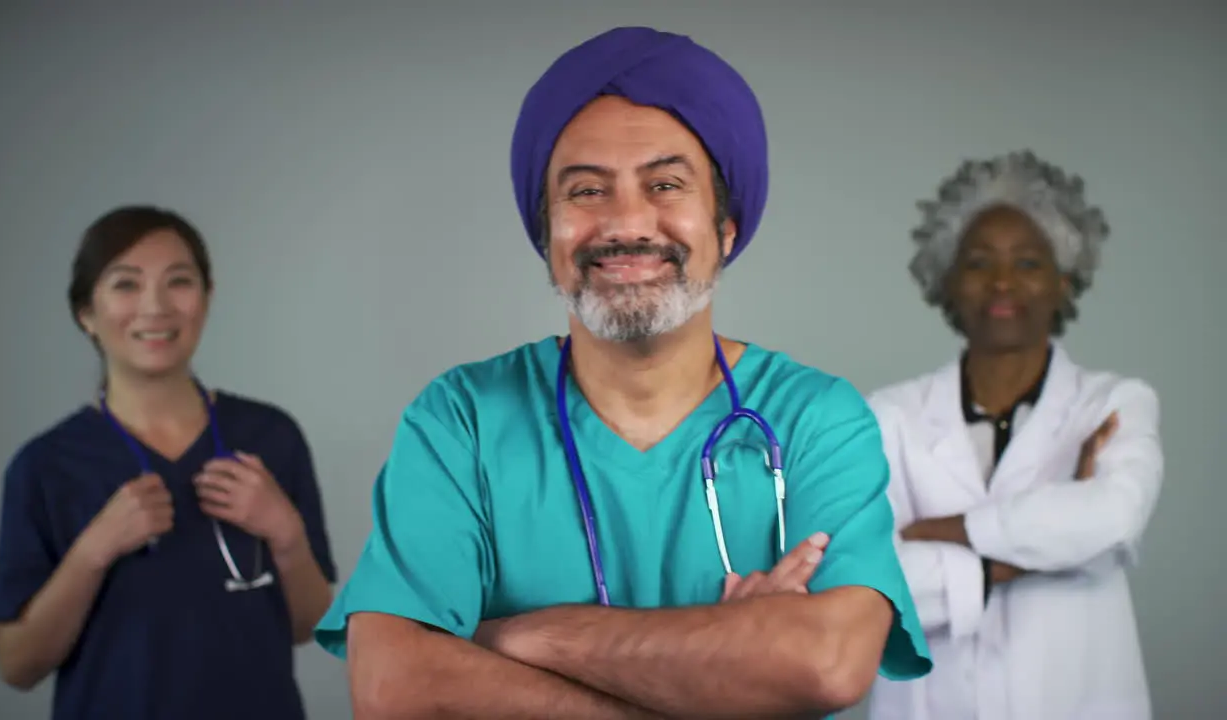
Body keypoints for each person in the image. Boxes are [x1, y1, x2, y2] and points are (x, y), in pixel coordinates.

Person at [316, 26, 932, 720]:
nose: (627, 222)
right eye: (586, 191)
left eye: (666, 184)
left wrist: (517, 638)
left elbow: (826, 664)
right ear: (547, 238)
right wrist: (730, 647)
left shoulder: (815, 418)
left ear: (725, 229)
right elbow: (393, 686)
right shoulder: (462, 420)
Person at [0, 205, 338, 720]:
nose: (155, 307)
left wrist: (286, 535)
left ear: (207, 298)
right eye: (126, 285)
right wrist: (92, 553)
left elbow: (310, 625)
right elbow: (17, 666)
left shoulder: (269, 437)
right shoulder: (45, 467)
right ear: (86, 312)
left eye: (179, 281)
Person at [864, 150, 1164, 720]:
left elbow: (1114, 517)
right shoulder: (888, 416)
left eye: (1028, 262)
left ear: (1064, 281)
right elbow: (874, 585)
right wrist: (1047, 543)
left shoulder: (1113, 403)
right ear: (945, 281)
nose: (1002, 281)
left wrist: (948, 533)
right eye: (978, 263)